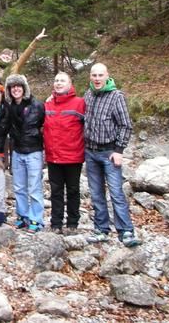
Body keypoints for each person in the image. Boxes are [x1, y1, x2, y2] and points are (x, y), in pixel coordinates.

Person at [84, 63, 140, 247]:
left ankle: (126, 231)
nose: (97, 78)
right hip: (91, 152)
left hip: (110, 152)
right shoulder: (88, 95)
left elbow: (125, 125)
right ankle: (101, 229)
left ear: (107, 76)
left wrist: (119, 150)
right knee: (96, 193)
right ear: (90, 76)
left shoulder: (116, 96)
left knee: (116, 193)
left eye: (100, 75)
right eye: (94, 75)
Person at [43, 72, 85, 234]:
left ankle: (73, 222)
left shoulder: (79, 103)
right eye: (56, 81)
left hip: (73, 155)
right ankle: (56, 223)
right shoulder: (48, 104)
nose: (58, 83)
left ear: (70, 84)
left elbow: (89, 127)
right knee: (56, 191)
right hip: (53, 156)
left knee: (73, 190)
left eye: (62, 81)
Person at [5, 74, 45, 233]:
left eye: (18, 86)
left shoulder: (37, 105)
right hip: (17, 151)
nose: (16, 89)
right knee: (19, 187)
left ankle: (36, 219)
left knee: (34, 187)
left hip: (33, 150)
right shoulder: (9, 107)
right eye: (12, 87)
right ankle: (22, 216)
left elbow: (44, 125)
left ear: (24, 88)